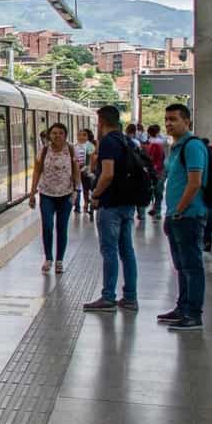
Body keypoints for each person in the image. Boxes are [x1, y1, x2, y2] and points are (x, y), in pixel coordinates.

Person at [158, 103, 209, 332]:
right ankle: (182, 307)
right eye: (166, 119)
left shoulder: (192, 146)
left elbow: (195, 182)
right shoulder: (176, 147)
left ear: (186, 121)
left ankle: (193, 314)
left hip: (189, 215)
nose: (168, 123)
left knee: (192, 265)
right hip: (176, 215)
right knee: (181, 265)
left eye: (173, 119)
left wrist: (179, 210)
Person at [84, 106, 138, 313]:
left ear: (102, 122)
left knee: (109, 251)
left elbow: (107, 174)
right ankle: (130, 297)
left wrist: (95, 195)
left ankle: (108, 297)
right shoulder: (127, 141)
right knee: (127, 251)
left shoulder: (107, 142)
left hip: (111, 205)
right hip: (127, 204)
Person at [28, 123, 79, 275]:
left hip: (66, 194)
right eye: (54, 133)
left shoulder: (70, 150)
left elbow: (76, 171)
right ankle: (48, 258)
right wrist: (32, 193)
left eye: (61, 133)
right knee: (47, 226)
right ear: (49, 135)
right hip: (46, 194)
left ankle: (59, 261)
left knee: (62, 228)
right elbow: (37, 171)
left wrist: (77, 190)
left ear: (65, 135)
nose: (57, 136)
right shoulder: (43, 151)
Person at [143, 123, 167, 219]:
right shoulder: (163, 142)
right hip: (160, 170)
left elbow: (148, 158)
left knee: (149, 189)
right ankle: (157, 210)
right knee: (158, 191)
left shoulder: (148, 144)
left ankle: (150, 211)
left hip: (150, 170)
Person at [75, 128, 96, 217]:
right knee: (83, 189)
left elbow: (92, 159)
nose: (81, 137)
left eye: (84, 135)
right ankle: (84, 204)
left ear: (87, 137)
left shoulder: (90, 146)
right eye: (79, 135)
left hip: (87, 172)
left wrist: (89, 169)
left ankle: (88, 203)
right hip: (78, 172)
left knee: (89, 188)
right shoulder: (75, 146)